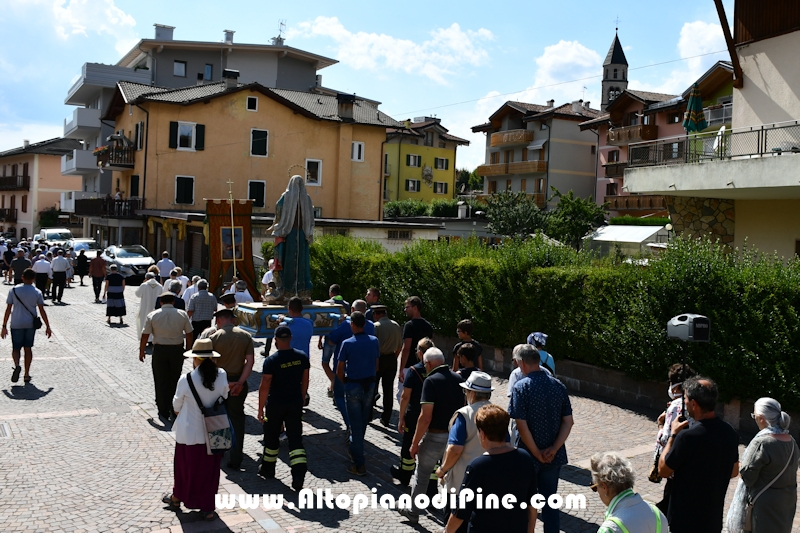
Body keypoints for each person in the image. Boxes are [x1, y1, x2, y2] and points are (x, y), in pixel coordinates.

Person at [658, 377, 739, 533]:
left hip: (685, 521)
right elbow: (734, 471)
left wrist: (673, 435)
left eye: (686, 398)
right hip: (712, 520)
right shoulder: (729, 432)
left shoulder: (686, 437)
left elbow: (664, 470)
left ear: (694, 403)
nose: (685, 402)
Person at [508, 343, 574, 533]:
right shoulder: (559, 385)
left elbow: (521, 424)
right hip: (554, 456)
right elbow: (568, 422)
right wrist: (553, 448)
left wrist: (536, 452)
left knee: (525, 502)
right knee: (550, 502)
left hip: (528, 455)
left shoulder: (521, 387)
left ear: (521, 363)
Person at [163, 338, 229, 522]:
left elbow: (176, 405)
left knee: (185, 469)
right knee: (210, 472)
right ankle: (207, 508)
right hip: (214, 432)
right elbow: (224, 395)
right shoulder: (222, 374)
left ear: (196, 359)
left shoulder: (187, 379)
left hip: (189, 432)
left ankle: (177, 498)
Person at [444, 405, 538, 533]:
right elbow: (532, 501)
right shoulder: (525, 458)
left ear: (482, 434)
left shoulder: (478, 466)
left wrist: (447, 531)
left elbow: (461, 510)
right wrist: (530, 530)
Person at [399, 347, 464, 524]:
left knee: (422, 476)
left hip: (435, 437)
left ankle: (413, 512)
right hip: (454, 438)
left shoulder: (431, 381)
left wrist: (414, 443)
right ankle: (452, 518)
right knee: (452, 479)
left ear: (427, 363)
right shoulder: (459, 378)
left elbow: (425, 417)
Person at [726, 397, 799, 533]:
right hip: (786, 503)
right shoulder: (792, 441)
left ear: (760, 418)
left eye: (754, 416)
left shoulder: (762, 443)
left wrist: (741, 466)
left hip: (763, 507)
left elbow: (748, 477)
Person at [438, 370, 495, 528]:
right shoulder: (499, 413)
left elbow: (455, 448)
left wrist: (443, 469)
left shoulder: (464, 415)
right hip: (489, 484)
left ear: (471, 393)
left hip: (461, 483)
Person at [257, 325, 310, 490]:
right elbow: (305, 380)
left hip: (275, 404)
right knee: (295, 438)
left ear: (275, 340)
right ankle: (299, 475)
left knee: (272, 437)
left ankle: (268, 469)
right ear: (291, 338)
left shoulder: (271, 361)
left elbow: (265, 385)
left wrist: (260, 409)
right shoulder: (302, 357)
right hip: (294, 403)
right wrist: (301, 398)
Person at [206, 308, 254, 470]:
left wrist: (221, 384)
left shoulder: (214, 338)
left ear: (219, 321)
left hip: (220, 382)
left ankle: (219, 452)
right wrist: (240, 383)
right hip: (238, 381)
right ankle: (236, 456)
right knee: (237, 418)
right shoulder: (245, 336)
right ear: (232, 320)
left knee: (218, 417)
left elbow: (209, 365)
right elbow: (250, 362)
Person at [336, 311, 380, 476]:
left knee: (355, 425)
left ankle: (358, 462)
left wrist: (344, 381)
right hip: (369, 385)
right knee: (362, 421)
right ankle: (357, 448)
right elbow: (376, 365)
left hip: (353, 385)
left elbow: (340, 369)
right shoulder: (374, 341)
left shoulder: (347, 343)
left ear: (352, 324)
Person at [139, 291, 193, 424]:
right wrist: (188, 349)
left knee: (160, 379)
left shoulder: (153, 315)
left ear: (161, 302)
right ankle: (173, 407)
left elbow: (145, 335)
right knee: (174, 378)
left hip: (160, 351)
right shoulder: (182, 314)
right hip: (176, 350)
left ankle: (162, 408)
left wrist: (141, 351)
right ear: (173, 301)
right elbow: (189, 333)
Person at [652, 363, 697, 513]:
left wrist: (660, 424)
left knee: (669, 504)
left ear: (677, 387)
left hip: (675, 464)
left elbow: (665, 439)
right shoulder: (698, 403)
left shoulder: (676, 406)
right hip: (693, 463)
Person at [391, 337, 433, 485]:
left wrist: (401, 417)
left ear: (421, 353)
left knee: (409, 443)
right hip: (433, 415)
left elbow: (405, 396)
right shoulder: (440, 370)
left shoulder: (414, 371)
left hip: (414, 413)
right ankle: (431, 483)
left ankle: (404, 474)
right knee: (431, 447)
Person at [591, 451, 668, 533]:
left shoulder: (609, 529)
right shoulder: (656, 513)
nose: (598, 492)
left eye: (595, 487)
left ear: (604, 487)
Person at [2, 268, 52, 383]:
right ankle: (26, 374)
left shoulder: (13, 290)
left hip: (16, 323)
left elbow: (8, 309)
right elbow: (42, 310)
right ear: (34, 279)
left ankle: (17, 365)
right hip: (30, 324)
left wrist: (4, 326)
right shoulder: (37, 292)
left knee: (16, 348)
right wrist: (48, 326)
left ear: (22, 277)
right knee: (28, 348)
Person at [269, 175, 314, 302]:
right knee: (301, 264)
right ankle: (301, 292)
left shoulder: (286, 197)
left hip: (290, 234)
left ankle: (288, 291)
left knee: (291, 263)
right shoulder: (307, 198)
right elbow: (311, 216)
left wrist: (277, 224)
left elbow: (278, 207)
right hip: (301, 234)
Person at [371, 304, 402, 426]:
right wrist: (393, 357)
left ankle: (368, 414)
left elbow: (373, 347)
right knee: (388, 390)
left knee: (373, 387)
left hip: (379, 358)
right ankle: (386, 417)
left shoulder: (376, 326)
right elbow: (400, 346)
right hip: (392, 359)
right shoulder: (396, 325)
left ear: (377, 314)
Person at [397, 296, 433, 392]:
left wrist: (401, 370)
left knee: (402, 394)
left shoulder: (409, 325)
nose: (405, 309)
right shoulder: (428, 325)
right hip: (424, 366)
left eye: (407, 307)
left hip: (409, 366)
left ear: (415, 308)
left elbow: (406, 348)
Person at [135, 272, 163, 338]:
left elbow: (137, 294)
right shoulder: (159, 286)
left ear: (146, 278)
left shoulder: (144, 285)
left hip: (145, 308)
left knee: (144, 322)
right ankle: (153, 338)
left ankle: (145, 338)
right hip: (156, 309)